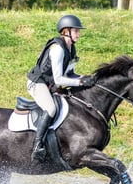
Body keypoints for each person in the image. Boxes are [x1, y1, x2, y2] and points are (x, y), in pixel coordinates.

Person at [27, 14, 96, 162]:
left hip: (50, 85)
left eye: (78, 31)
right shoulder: (58, 49)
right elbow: (59, 79)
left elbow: (69, 73)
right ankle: (37, 146)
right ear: (66, 31)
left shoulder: (71, 48)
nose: (78, 34)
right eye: (76, 31)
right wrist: (80, 83)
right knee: (51, 109)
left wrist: (84, 77)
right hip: (38, 83)